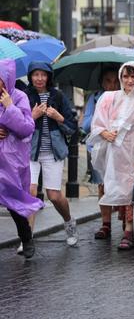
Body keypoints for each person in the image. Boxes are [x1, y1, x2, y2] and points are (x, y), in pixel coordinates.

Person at [89, 62, 134, 250]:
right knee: (116, 188)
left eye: (133, 76)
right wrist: (104, 133)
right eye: (126, 76)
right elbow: (97, 123)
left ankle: (129, 231)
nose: (129, 80)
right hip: (114, 154)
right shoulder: (109, 98)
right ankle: (118, 226)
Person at [25, 61, 78, 246]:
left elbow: (72, 127)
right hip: (30, 152)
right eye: (35, 74)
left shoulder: (58, 96)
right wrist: (32, 117)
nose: (39, 78)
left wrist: (58, 117)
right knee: (30, 192)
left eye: (43, 74)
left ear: (49, 77)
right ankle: (27, 238)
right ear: (30, 76)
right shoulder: (26, 96)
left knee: (54, 195)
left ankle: (69, 221)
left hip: (52, 152)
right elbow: (17, 123)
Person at [0, 59, 42, 258]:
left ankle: (26, 238)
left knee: (14, 202)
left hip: (12, 161)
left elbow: (26, 127)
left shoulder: (19, 97)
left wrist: (9, 108)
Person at [82, 68, 120, 239]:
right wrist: (101, 108)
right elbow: (86, 125)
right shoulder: (95, 98)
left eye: (115, 81)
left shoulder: (127, 98)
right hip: (99, 149)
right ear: (102, 82)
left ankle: (128, 225)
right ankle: (106, 224)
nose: (111, 85)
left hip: (121, 148)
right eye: (107, 80)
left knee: (125, 184)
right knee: (102, 185)